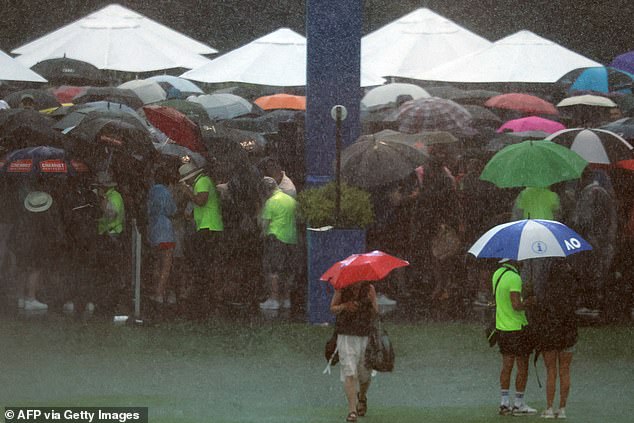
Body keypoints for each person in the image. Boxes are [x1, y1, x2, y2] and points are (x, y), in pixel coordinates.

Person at [493, 259, 538, 416]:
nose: (524, 261)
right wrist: (530, 302)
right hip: (517, 328)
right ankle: (518, 404)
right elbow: (516, 305)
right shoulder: (515, 278)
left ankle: (504, 403)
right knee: (522, 367)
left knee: (507, 366)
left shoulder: (497, 274)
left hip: (502, 327)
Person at [177, 162, 224, 312]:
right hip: (205, 225)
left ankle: (207, 291)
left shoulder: (202, 181)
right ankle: (208, 290)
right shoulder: (202, 181)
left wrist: (187, 192)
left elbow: (201, 201)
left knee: (206, 260)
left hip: (209, 226)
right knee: (205, 260)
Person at [330, 281, 379, 422]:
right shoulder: (341, 288)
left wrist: (371, 301)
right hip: (345, 335)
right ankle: (352, 410)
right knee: (349, 372)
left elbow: (376, 312)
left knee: (364, 375)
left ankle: (362, 397)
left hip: (365, 335)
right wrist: (345, 306)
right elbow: (332, 308)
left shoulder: (369, 288)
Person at [8, 191, 66, 311]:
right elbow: (50, 235)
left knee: (23, 270)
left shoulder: (23, 216)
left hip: (21, 247)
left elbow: (13, 237)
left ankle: (21, 298)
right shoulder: (43, 219)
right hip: (34, 248)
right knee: (35, 271)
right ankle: (31, 298)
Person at [535, 259, 578, 419]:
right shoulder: (572, 288)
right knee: (565, 370)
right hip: (568, 334)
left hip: (550, 334)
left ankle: (549, 408)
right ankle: (562, 409)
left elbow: (540, 310)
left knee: (551, 371)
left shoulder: (545, 290)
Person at [258, 176, 297, 310]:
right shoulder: (291, 200)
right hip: (292, 239)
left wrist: (262, 235)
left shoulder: (271, 202)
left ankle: (273, 300)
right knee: (288, 271)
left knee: (273, 270)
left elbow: (264, 224)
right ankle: (286, 300)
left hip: (275, 238)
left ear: (266, 191)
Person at [94, 171, 127, 313]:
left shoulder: (114, 197)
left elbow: (110, 214)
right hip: (103, 234)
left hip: (112, 235)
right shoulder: (106, 196)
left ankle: (112, 299)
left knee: (111, 268)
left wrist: (102, 200)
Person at [147, 165, 178, 306]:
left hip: (153, 228)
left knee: (156, 263)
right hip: (165, 229)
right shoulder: (166, 192)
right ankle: (160, 294)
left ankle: (155, 291)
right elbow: (172, 210)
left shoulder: (152, 191)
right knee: (166, 264)